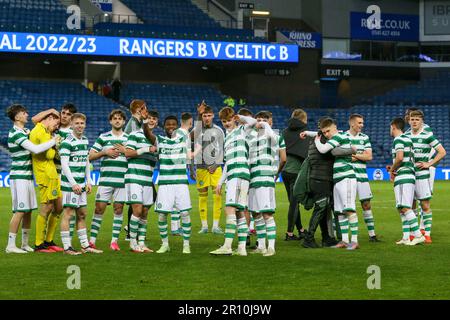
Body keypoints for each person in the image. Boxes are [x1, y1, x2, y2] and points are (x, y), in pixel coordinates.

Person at [6, 104, 58, 253]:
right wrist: (54, 140)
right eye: (23, 113)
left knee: (28, 211)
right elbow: (35, 149)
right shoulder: (15, 133)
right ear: (17, 117)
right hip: (19, 176)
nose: (27, 114)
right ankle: (10, 245)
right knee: (20, 211)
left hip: (28, 176)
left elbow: (37, 121)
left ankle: (24, 243)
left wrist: (50, 111)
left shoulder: (26, 131)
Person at [144, 115, 193, 254]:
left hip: (181, 183)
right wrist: (145, 121)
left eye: (173, 124)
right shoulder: (160, 140)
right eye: (168, 124)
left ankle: (186, 245)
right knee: (162, 215)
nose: (170, 127)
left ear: (177, 126)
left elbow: (196, 130)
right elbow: (147, 133)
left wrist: (200, 115)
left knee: (184, 213)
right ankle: (165, 244)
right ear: (164, 126)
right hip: (165, 184)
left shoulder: (183, 139)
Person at [299, 117, 351, 248]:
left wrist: (307, 133)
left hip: (316, 178)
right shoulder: (324, 141)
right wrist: (352, 149)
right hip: (321, 179)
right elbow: (335, 151)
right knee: (321, 208)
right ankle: (309, 238)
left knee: (324, 209)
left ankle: (326, 238)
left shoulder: (316, 139)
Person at [210, 107, 255, 256]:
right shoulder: (228, 137)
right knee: (239, 212)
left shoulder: (242, 129)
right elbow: (227, 163)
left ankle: (227, 246)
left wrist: (239, 116)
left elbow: (253, 121)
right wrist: (220, 182)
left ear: (234, 119)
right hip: (235, 174)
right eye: (224, 121)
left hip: (238, 173)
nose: (226, 123)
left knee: (229, 208)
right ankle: (241, 248)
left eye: (229, 120)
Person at [33, 103, 78, 239]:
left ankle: (49, 240)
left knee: (59, 208)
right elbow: (35, 120)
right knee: (48, 207)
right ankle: (41, 241)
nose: (64, 116)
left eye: (68, 114)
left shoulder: (73, 133)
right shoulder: (54, 126)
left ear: (72, 117)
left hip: (64, 174)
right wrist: (52, 110)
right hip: (51, 172)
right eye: (63, 113)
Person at [59, 113, 102, 255]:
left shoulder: (84, 140)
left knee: (82, 213)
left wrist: (88, 181)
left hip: (82, 184)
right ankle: (67, 247)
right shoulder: (67, 141)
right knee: (68, 213)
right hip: (70, 184)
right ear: (71, 124)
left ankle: (85, 245)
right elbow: (64, 165)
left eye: (82, 123)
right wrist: (73, 184)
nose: (79, 126)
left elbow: (86, 162)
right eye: (76, 123)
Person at [314, 118, 360, 250]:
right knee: (340, 212)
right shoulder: (340, 136)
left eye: (327, 131)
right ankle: (344, 241)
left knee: (349, 209)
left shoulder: (338, 137)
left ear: (334, 127)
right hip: (338, 179)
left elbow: (323, 150)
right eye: (324, 133)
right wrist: (308, 133)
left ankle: (354, 241)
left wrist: (317, 140)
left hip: (347, 177)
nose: (326, 134)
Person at [88, 109, 128, 251]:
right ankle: (92, 241)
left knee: (118, 209)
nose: (117, 120)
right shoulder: (103, 137)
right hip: (105, 180)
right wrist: (104, 152)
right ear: (110, 121)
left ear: (124, 121)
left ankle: (114, 241)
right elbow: (90, 156)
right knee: (99, 209)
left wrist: (125, 151)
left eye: (120, 118)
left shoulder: (128, 138)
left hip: (122, 181)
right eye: (114, 118)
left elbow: (134, 155)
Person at [406, 110, 446, 244]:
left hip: (422, 175)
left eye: (417, 119)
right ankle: (413, 234)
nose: (414, 121)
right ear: (409, 120)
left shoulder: (427, 135)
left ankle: (427, 234)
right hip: (408, 174)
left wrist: (429, 163)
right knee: (410, 205)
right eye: (412, 119)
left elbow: (442, 152)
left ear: (421, 121)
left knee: (425, 204)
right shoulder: (405, 136)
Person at [29, 109, 65, 253]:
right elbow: (50, 155)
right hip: (45, 174)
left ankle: (48, 241)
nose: (56, 127)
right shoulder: (41, 131)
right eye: (56, 124)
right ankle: (39, 244)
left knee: (57, 206)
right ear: (49, 118)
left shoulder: (44, 131)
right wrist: (54, 144)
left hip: (51, 174)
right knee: (46, 208)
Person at [248, 111, 282, 256]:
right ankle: (261, 246)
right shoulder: (252, 139)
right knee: (256, 214)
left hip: (265, 178)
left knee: (267, 214)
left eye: (264, 120)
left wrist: (265, 125)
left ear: (269, 122)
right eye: (258, 120)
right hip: (252, 179)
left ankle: (271, 247)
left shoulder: (273, 137)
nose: (260, 122)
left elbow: (274, 140)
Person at [123, 111, 157, 253]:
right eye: (149, 118)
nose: (151, 121)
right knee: (137, 210)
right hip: (134, 177)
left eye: (154, 119)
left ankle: (142, 243)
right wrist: (146, 149)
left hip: (147, 179)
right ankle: (132, 242)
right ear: (144, 119)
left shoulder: (155, 139)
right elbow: (127, 153)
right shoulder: (135, 134)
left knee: (144, 212)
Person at [388, 117, 425, 246]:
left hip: (403, 175)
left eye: (390, 127)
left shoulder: (398, 139)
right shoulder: (407, 139)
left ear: (393, 126)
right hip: (408, 174)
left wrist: (392, 170)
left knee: (404, 207)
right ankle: (405, 237)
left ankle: (418, 235)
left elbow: (399, 158)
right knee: (401, 208)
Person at [190, 102, 225, 234]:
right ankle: (204, 226)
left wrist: (216, 164)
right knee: (202, 197)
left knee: (217, 196)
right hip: (201, 168)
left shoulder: (219, 131)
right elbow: (191, 148)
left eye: (209, 115)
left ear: (213, 116)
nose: (207, 118)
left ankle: (215, 226)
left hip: (215, 169)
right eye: (204, 115)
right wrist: (191, 167)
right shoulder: (197, 130)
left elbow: (222, 150)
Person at [346, 114, 380, 242]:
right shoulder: (344, 137)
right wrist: (361, 155)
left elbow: (369, 156)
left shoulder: (365, 138)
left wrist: (355, 155)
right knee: (348, 207)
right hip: (348, 177)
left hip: (362, 177)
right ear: (352, 123)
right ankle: (345, 236)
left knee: (366, 205)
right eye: (359, 123)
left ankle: (372, 235)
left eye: (362, 123)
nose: (362, 125)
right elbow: (345, 157)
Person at [281, 109, 309, 240]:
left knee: (293, 203)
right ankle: (289, 233)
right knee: (294, 203)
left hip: (285, 171)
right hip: (297, 172)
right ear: (303, 120)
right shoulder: (305, 133)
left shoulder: (285, 132)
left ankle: (301, 229)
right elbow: (306, 155)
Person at [170, 112, 194, 236]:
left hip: (178, 168)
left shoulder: (179, 133)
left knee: (177, 198)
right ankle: (175, 228)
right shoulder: (183, 134)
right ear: (191, 122)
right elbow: (187, 154)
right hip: (178, 170)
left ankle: (175, 227)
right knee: (178, 198)